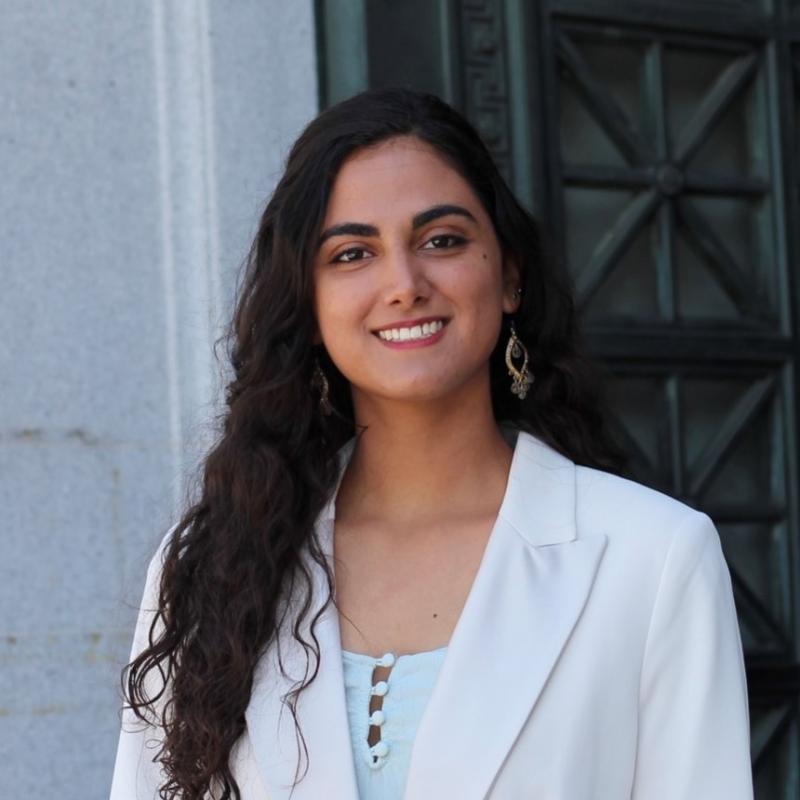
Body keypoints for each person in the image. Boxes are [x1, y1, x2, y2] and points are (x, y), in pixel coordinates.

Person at [110, 87, 753, 800]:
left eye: (442, 240)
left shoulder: (656, 558)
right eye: (353, 253)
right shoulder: (212, 562)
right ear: (310, 305)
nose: (404, 284)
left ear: (509, 275)